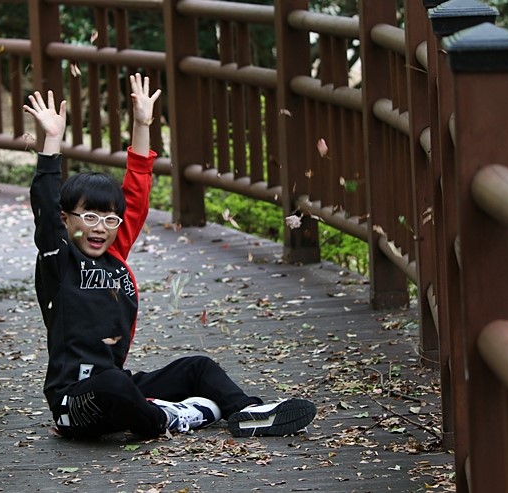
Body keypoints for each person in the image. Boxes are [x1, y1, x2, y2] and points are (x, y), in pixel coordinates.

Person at [25, 73, 316, 440]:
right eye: (90, 217)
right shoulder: (58, 261)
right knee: (115, 384)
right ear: (67, 220)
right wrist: (52, 140)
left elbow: (137, 190)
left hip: (120, 387)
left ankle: (247, 412)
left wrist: (142, 124)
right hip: (76, 405)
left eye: (109, 219)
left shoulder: (114, 254)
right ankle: (169, 417)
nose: (100, 228)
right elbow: (45, 210)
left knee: (197, 368)